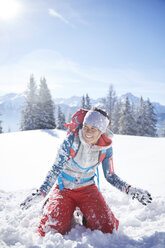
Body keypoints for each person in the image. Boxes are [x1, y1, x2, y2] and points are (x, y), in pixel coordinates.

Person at [20, 108, 152, 236]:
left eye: (93, 128)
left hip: (87, 189)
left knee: (107, 228)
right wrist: (42, 192)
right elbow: (55, 169)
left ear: (102, 131)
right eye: (86, 126)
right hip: (64, 188)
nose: (87, 132)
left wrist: (129, 190)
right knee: (50, 230)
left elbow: (110, 175)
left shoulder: (106, 148)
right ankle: (52, 202)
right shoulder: (71, 141)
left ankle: (83, 211)